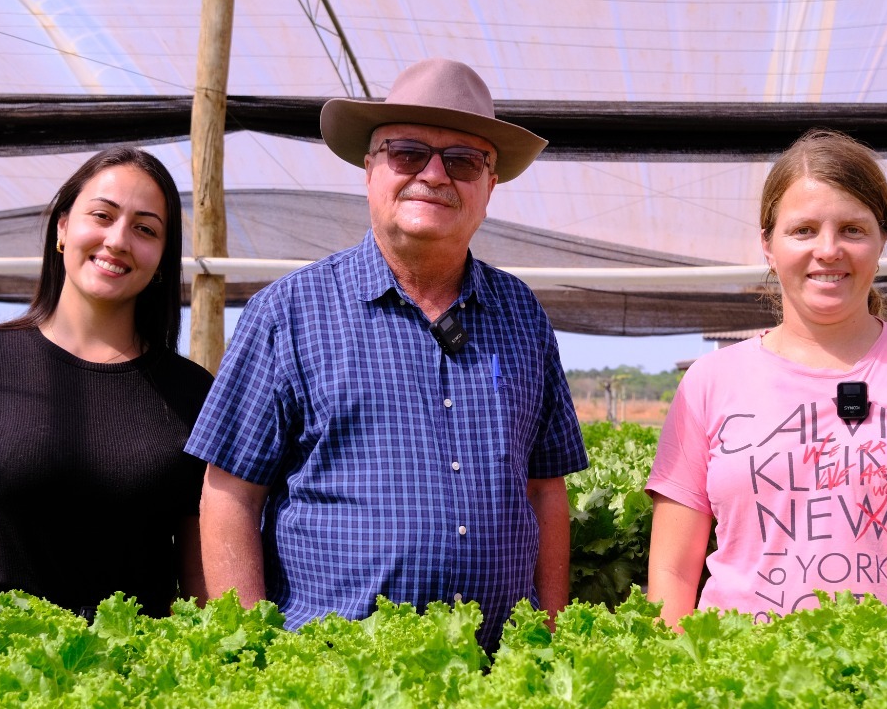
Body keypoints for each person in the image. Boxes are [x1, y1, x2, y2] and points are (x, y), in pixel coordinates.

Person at [187, 57, 587, 652]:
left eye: (463, 160)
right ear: (369, 168)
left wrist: (550, 639)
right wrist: (248, 651)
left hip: (500, 671)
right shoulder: (288, 312)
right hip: (334, 676)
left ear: (490, 185)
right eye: (407, 153)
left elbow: (544, 490)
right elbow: (230, 497)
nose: (434, 174)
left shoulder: (522, 315)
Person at [646, 130, 887, 628]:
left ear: (881, 241)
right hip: (748, 668)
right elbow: (671, 573)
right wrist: (680, 661)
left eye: (852, 229)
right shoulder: (710, 382)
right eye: (803, 230)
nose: (828, 250)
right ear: (768, 245)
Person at [0, 147, 213, 618]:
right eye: (102, 215)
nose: (118, 240)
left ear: (161, 259)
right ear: (62, 227)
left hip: (130, 654)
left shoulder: (193, 392)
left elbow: (199, 573)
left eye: (145, 229)